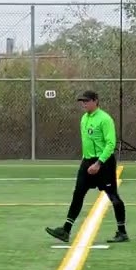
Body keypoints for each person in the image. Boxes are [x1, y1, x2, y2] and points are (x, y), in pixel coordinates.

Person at [45, 91, 128, 244]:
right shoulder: (84, 118)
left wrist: (99, 163)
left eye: (87, 101)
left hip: (104, 163)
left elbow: (110, 144)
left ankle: (122, 231)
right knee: (78, 193)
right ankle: (66, 230)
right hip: (87, 162)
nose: (84, 104)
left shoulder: (105, 119)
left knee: (113, 196)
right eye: (82, 101)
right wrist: (86, 161)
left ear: (96, 101)